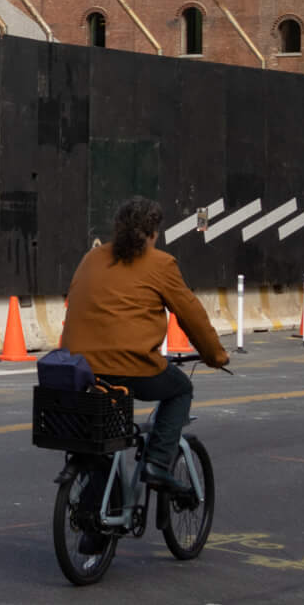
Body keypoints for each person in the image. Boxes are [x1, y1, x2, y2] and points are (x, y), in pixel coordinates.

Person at [60, 197, 229, 489]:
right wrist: (215, 356)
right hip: (131, 366)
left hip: (79, 367)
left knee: (104, 434)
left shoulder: (92, 257)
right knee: (180, 390)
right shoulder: (161, 263)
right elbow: (193, 317)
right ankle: (158, 461)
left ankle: (97, 514)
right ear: (152, 233)